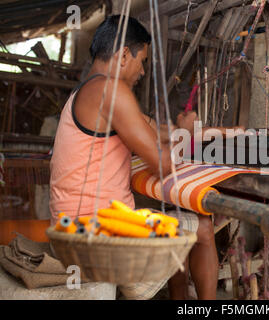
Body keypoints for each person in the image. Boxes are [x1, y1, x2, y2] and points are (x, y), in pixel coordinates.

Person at [49, 15, 217, 300]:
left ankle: (180, 300)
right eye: (142, 61)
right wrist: (185, 137)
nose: (142, 71)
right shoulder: (111, 90)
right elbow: (164, 166)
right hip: (98, 236)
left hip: (70, 229)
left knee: (172, 222)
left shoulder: (88, 90)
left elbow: (151, 127)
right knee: (202, 227)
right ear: (124, 54)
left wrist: (182, 130)